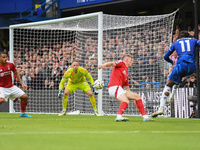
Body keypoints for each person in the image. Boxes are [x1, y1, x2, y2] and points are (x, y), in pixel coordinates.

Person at [152, 31, 200, 118]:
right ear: (188, 36)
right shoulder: (194, 40)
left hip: (181, 65)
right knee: (179, 77)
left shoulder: (176, 43)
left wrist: (172, 62)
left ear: (179, 37)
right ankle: (171, 96)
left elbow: (165, 57)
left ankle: (161, 108)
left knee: (168, 84)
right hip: (192, 66)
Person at [98, 54, 153, 122]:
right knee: (125, 101)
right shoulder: (121, 63)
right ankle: (119, 117)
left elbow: (127, 90)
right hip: (114, 87)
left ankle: (145, 117)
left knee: (137, 96)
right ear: (127, 60)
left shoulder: (126, 74)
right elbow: (112, 63)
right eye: (131, 60)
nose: (132, 62)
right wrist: (104, 65)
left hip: (118, 88)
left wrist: (134, 100)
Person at [0, 52, 31, 117]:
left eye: (6, 57)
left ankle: (22, 113)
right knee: (1, 100)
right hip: (1, 87)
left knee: (25, 97)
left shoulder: (10, 64)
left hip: (10, 86)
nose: (5, 59)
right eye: (3, 57)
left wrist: (22, 83)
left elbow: (16, 73)